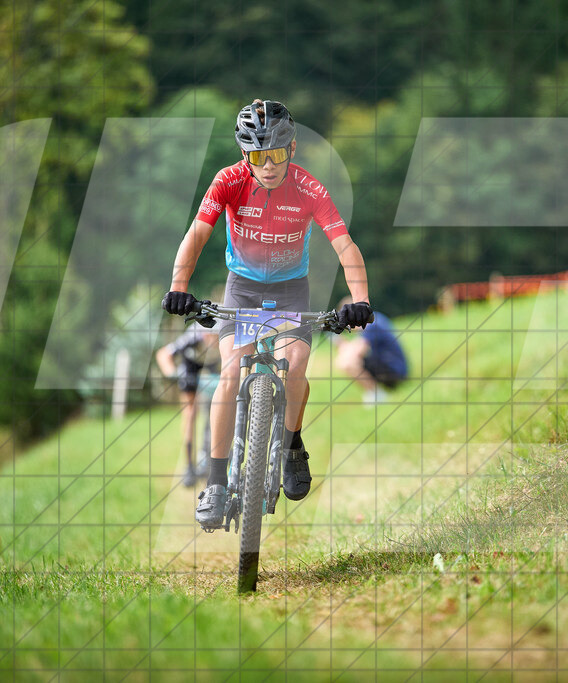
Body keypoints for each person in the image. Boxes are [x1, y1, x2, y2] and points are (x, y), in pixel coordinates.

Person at [162, 99, 373, 530]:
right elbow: (197, 234)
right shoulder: (229, 181)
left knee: (295, 365)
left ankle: (292, 446)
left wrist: (360, 299)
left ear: (291, 150)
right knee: (231, 371)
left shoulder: (309, 189)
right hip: (241, 289)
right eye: (259, 156)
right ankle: (217, 482)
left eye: (277, 153)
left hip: (291, 290)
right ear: (245, 156)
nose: (269, 164)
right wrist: (178, 289)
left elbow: (344, 244)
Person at [155, 324, 219, 486]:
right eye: (208, 336)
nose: (211, 340)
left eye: (215, 337)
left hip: (215, 366)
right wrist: (173, 374)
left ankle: (211, 458)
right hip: (190, 365)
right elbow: (163, 354)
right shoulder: (191, 337)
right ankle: (189, 465)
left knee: (218, 409)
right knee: (190, 412)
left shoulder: (228, 338)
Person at [334, 297, 407, 404]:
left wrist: (344, 348)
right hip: (394, 367)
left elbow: (357, 353)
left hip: (395, 371)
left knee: (347, 363)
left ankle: (377, 395)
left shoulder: (371, 325)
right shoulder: (373, 318)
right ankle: (375, 393)